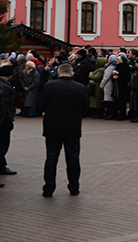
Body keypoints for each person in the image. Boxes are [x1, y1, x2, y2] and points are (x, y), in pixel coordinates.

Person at [37, 61, 87, 197]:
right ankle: (74, 187)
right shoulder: (81, 88)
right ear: (72, 73)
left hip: (52, 126)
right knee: (73, 158)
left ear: (58, 72)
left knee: (51, 157)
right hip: (73, 127)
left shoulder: (49, 86)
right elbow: (86, 108)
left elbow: (40, 106)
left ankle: (49, 188)